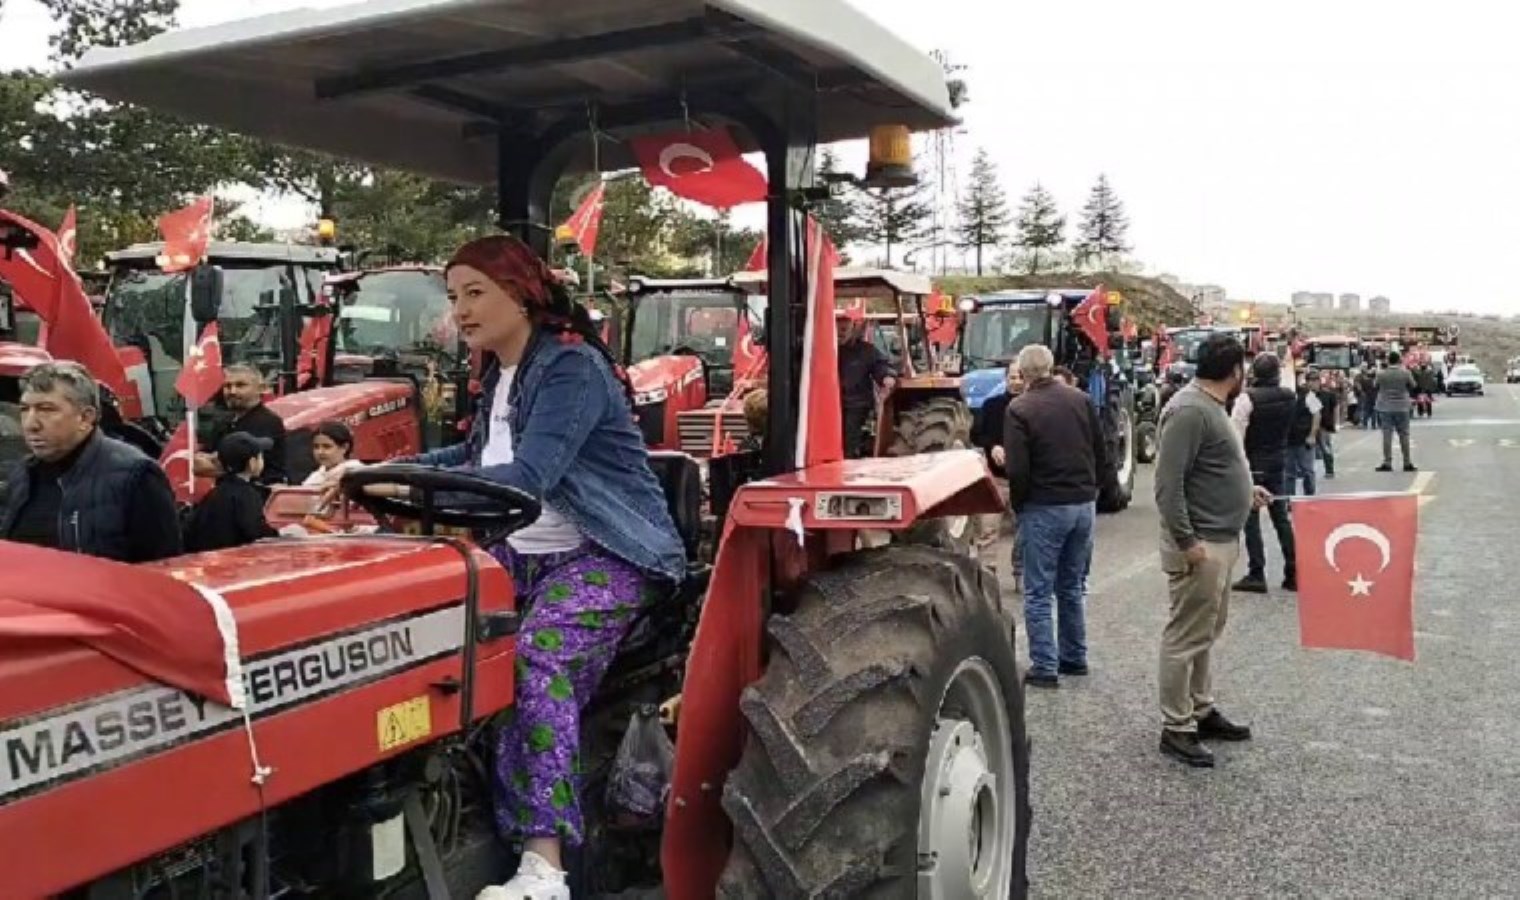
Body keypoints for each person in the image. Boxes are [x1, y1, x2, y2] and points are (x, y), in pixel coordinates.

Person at [328, 235, 684, 900]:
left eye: (475, 293)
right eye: (454, 295)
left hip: (608, 552)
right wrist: (375, 473)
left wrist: (408, 489)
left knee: (536, 655)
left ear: (521, 294)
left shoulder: (572, 369)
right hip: (524, 553)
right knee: (403, 622)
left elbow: (527, 477)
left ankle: (544, 868)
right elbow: (471, 455)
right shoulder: (502, 374)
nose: (459, 310)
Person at [1153, 333, 1270, 768]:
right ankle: (1176, 726)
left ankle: (1200, 710)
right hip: (1201, 545)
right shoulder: (1188, 410)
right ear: (1236, 371)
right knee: (1185, 636)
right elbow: (1168, 485)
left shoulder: (1209, 406)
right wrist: (1188, 541)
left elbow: (1211, 470)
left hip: (1221, 537)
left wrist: (1246, 492)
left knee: (1204, 631)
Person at [1003, 344, 1111, 688]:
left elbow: (1018, 467)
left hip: (1045, 504)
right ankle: (1074, 657)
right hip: (1082, 504)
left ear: (1022, 372)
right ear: (1050, 367)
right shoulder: (1080, 399)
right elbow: (1100, 448)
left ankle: (1045, 666)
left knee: (1038, 591)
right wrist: (1095, 490)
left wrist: (1019, 505)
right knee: (1071, 585)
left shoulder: (1019, 408)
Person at [1, 361, 181, 562]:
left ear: (86, 418)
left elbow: (163, 571)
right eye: (25, 409)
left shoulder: (136, 475)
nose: (30, 424)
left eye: (46, 409)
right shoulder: (21, 475)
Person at [1229, 353, 1297, 594]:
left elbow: (1236, 438)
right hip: (1279, 461)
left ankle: (1257, 572)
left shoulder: (1247, 400)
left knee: (1251, 520)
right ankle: (1294, 571)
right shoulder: (1290, 396)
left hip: (1253, 463)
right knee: (1281, 518)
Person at [973, 362, 1025, 586]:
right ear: (1006, 379)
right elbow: (977, 434)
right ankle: (987, 578)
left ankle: (1020, 573)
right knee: (987, 530)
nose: (1015, 382)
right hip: (996, 479)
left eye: (1020, 377)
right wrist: (992, 446)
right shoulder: (992, 406)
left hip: (1023, 481)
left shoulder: (1032, 407)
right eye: (1012, 377)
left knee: (1025, 532)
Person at [194, 364, 288, 486]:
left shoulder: (268, 422)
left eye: (240, 385)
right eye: (227, 386)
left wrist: (218, 462)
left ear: (261, 388)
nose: (232, 391)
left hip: (257, 497)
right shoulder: (224, 423)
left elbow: (248, 468)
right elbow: (198, 465)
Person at [185, 432, 280, 552]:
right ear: (252, 463)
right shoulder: (247, 495)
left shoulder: (215, 493)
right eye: (260, 456)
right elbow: (256, 533)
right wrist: (282, 534)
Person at [837, 317, 896, 458]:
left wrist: (886, 376)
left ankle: (849, 460)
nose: (841, 333)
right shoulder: (821, 349)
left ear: (853, 329)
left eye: (845, 329)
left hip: (856, 403)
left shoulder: (866, 351)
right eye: (838, 329)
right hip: (827, 403)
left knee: (849, 437)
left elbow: (880, 365)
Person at [1375, 350, 1418, 472]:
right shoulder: (1405, 373)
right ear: (1399, 360)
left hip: (1385, 406)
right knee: (1404, 435)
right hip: (1402, 406)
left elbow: (1375, 385)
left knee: (1387, 435)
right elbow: (1413, 385)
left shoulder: (1381, 374)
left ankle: (1387, 462)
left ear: (1388, 361)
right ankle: (1407, 462)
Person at [1283, 369, 1323, 496]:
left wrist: (1312, 435)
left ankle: (1309, 497)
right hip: (1289, 439)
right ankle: (1290, 500)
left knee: (1307, 471)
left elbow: (1317, 415)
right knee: (1289, 473)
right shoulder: (1286, 395)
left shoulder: (1308, 396)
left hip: (1303, 439)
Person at [302, 420, 363, 486]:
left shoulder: (358, 473)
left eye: (327, 446)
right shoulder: (314, 478)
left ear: (344, 447)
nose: (320, 452)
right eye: (316, 447)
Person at [1315, 370, 1340, 478]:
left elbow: (1335, 408)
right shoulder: (1309, 395)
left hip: (1324, 425)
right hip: (1310, 424)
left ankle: (1329, 469)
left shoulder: (1329, 394)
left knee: (1325, 447)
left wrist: (1336, 422)